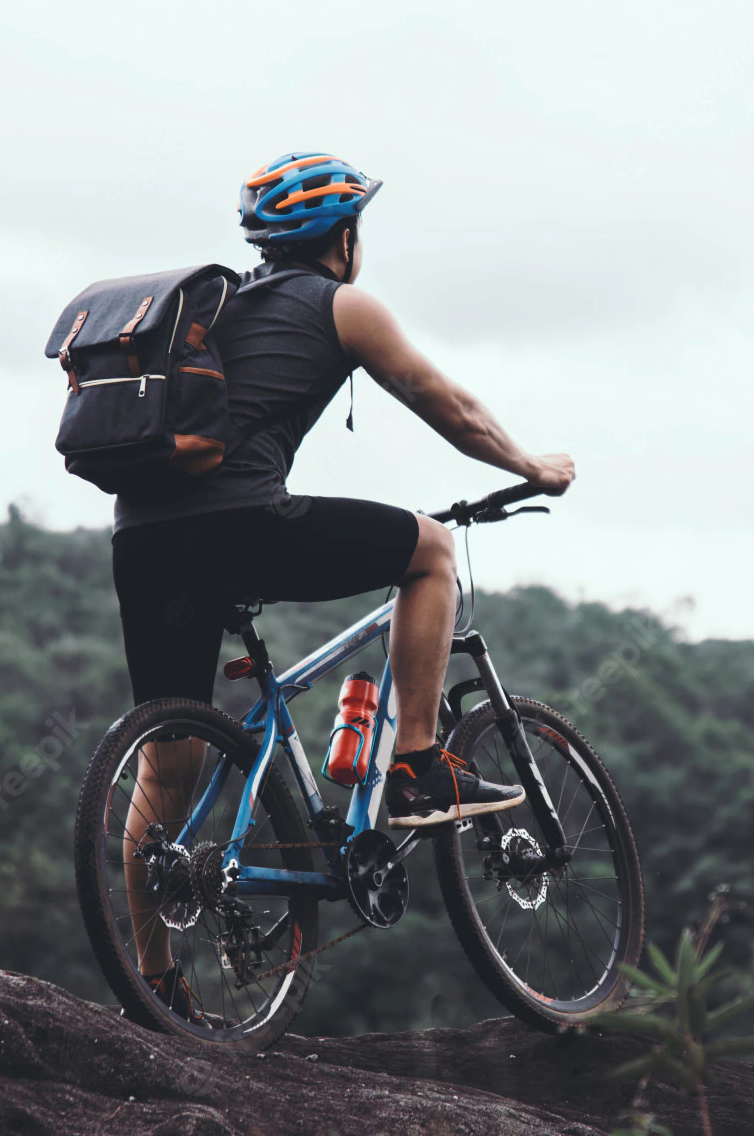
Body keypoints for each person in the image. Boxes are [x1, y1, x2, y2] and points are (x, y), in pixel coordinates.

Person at [111, 152, 574, 1007]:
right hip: (241, 524)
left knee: (162, 762)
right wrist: (531, 466)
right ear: (345, 237)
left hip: (143, 539)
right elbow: (451, 407)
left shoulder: (216, 310)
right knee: (430, 550)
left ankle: (155, 984)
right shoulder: (342, 304)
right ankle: (416, 763)